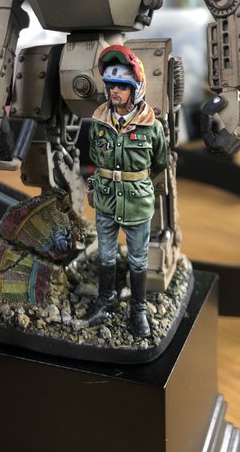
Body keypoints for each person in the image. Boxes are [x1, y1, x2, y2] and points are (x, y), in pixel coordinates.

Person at [86, 45, 169, 338]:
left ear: (136, 89)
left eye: (122, 86)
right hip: (106, 199)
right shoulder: (98, 122)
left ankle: (138, 309)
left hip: (136, 202)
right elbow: (93, 155)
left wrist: (135, 181)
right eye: (111, 85)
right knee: (106, 255)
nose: (115, 91)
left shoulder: (152, 127)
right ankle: (105, 300)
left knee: (138, 260)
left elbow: (160, 162)